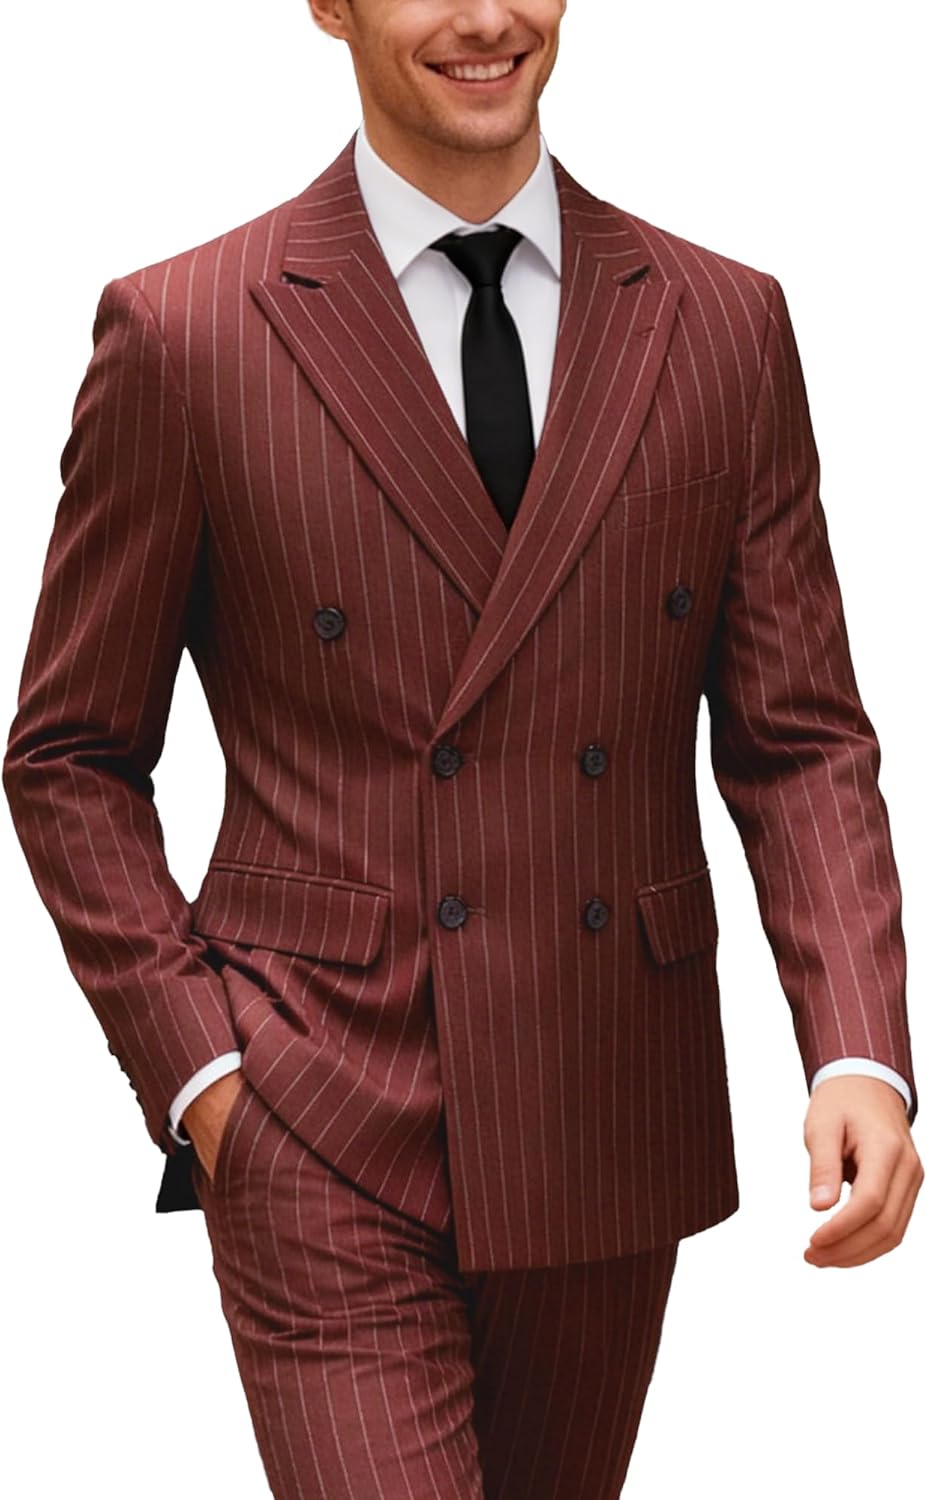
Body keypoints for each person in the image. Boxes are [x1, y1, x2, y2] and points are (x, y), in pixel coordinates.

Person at [4, 2, 922, 1496]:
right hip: (318, 1098)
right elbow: (70, 752)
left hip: (605, 1101)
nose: (486, 16)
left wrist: (861, 1048)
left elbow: (799, 735)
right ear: (330, 3)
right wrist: (203, 1075)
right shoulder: (189, 330)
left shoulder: (723, 320)